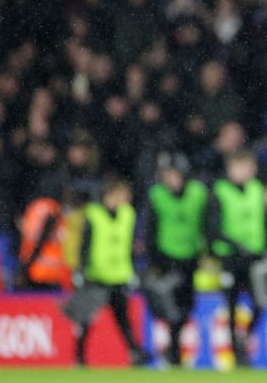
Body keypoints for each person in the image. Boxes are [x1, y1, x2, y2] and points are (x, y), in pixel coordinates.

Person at [64, 179, 150, 366]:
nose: (125, 199)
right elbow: (85, 246)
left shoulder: (128, 215)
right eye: (121, 194)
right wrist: (81, 270)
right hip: (96, 276)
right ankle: (79, 357)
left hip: (119, 275)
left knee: (123, 320)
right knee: (85, 318)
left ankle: (134, 354)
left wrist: (132, 271)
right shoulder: (94, 215)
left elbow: (129, 245)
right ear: (109, 195)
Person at [207, 150, 267, 365]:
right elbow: (212, 228)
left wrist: (266, 248)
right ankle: (237, 353)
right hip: (230, 258)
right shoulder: (220, 191)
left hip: (254, 257)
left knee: (261, 302)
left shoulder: (257, 189)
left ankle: (244, 337)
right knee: (231, 306)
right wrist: (234, 246)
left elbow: (265, 221)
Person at [145, 154, 207, 366]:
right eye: (167, 175)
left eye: (174, 174)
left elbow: (206, 223)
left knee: (187, 305)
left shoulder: (198, 194)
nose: (171, 179)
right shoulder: (157, 196)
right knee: (169, 308)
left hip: (190, 257)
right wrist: (153, 261)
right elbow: (150, 231)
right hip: (166, 258)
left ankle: (174, 349)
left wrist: (206, 253)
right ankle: (173, 351)